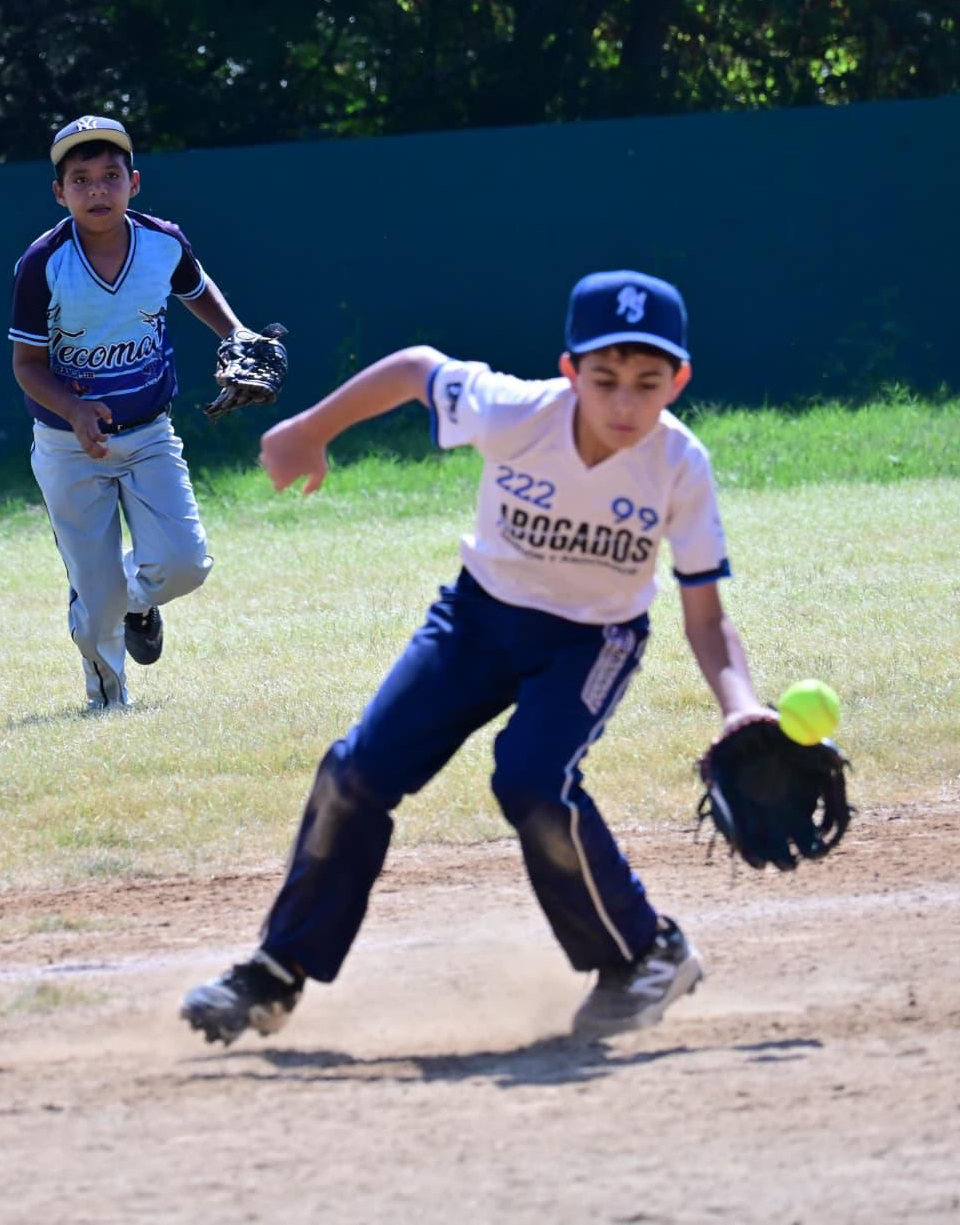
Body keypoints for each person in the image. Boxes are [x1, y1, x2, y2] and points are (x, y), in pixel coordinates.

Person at [182, 270, 774, 1044]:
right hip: (477, 617)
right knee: (357, 771)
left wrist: (742, 706)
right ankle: (276, 972)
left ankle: (646, 953)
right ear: (569, 371)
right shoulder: (516, 413)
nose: (625, 403)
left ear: (680, 380)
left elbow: (706, 617)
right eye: (604, 379)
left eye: (647, 381)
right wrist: (312, 428)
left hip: (593, 640)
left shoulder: (678, 465)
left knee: (532, 776)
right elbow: (412, 370)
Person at [9, 114, 275, 709]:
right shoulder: (43, 263)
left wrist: (236, 334)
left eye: (110, 175)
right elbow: (26, 365)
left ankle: (129, 598)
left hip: (151, 431)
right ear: (59, 193)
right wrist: (74, 410)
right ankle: (107, 701)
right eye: (81, 179)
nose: (97, 189)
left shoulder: (162, 243)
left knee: (184, 564)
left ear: (134, 181)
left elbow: (197, 289)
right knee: (94, 598)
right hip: (67, 444)